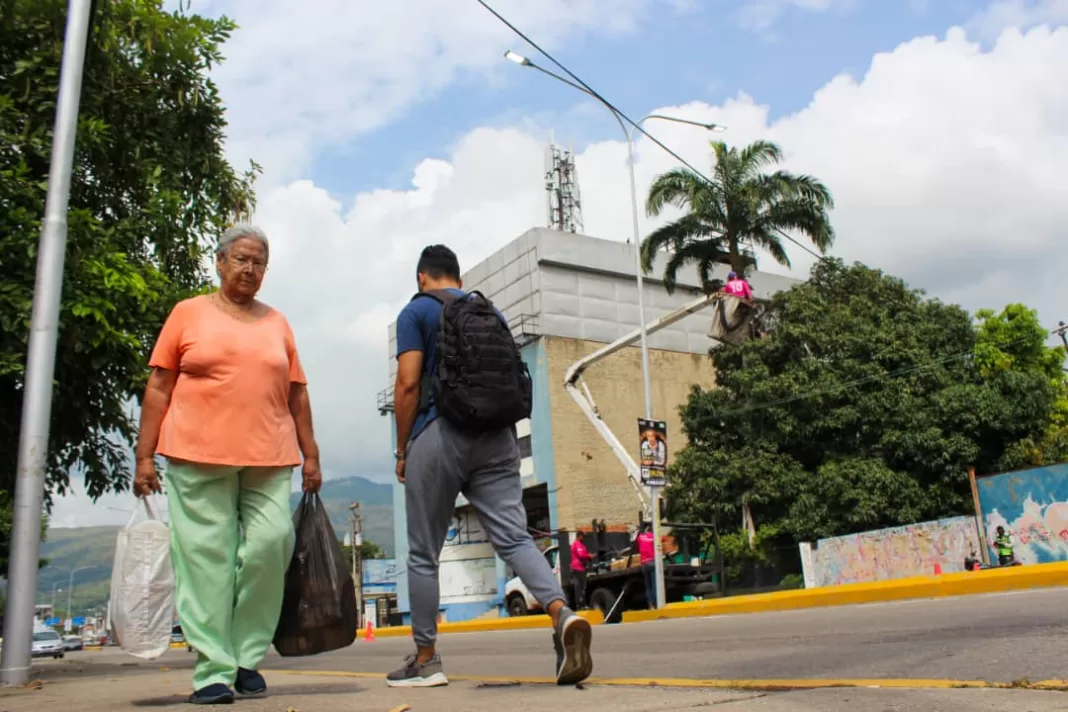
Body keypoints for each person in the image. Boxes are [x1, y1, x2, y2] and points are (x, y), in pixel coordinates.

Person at [133, 224, 322, 706]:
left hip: (269, 455)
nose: (250, 269)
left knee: (270, 543)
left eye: (259, 262)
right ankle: (213, 670)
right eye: (241, 259)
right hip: (196, 455)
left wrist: (312, 453)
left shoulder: (277, 322)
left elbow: (297, 392)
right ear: (219, 262)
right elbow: (158, 387)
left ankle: (245, 655)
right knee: (207, 561)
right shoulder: (187, 314)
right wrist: (144, 454)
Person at [390, 245, 594, 688]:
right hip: (498, 437)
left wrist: (403, 450)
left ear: (422, 277)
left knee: (424, 553)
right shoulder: (491, 312)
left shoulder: (416, 311)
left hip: (439, 433)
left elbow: (408, 383)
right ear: (458, 279)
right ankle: (562, 614)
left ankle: (426, 660)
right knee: (515, 538)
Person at [570, 531, 594, 610]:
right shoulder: (577, 543)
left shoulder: (582, 545)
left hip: (582, 567)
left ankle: (582, 604)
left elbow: (584, 554)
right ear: (579, 536)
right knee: (579, 587)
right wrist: (588, 555)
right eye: (582, 536)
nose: (583, 538)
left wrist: (589, 556)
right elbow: (580, 555)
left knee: (583, 587)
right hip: (577, 568)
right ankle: (579, 605)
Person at [636, 524, 656, 609]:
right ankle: (656, 603)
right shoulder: (654, 537)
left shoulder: (640, 537)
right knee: (655, 584)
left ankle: (650, 604)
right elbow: (663, 540)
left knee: (648, 586)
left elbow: (636, 542)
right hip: (652, 562)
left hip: (644, 563)